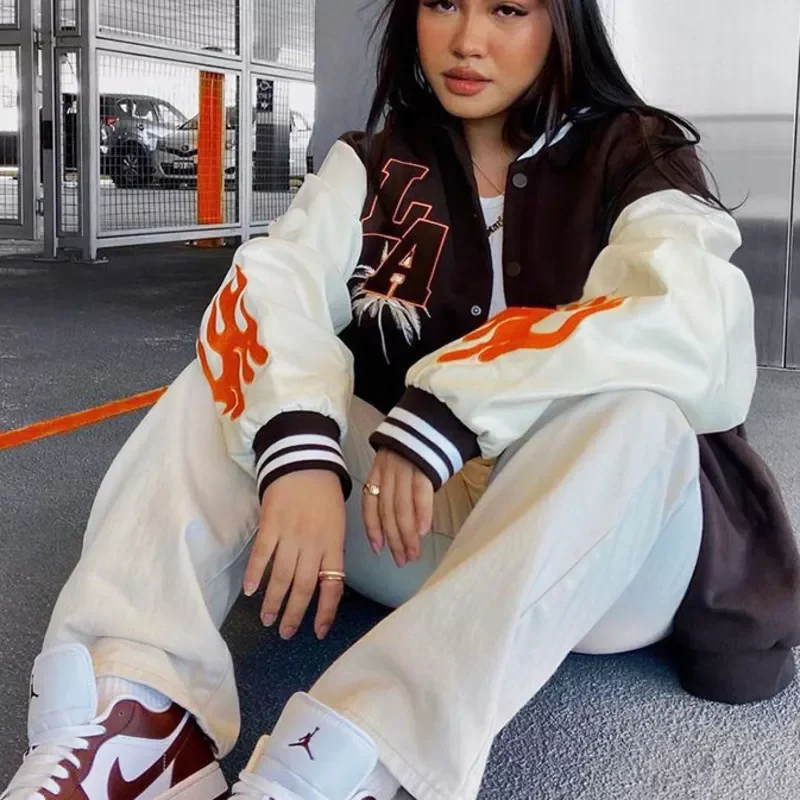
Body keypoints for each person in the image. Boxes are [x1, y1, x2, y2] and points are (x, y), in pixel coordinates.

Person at [4, 1, 800, 800]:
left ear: (563, 22)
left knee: (639, 415)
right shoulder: (373, 163)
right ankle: (138, 717)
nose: (468, 41)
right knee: (224, 378)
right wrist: (300, 450)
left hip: (599, 560)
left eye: (508, 9)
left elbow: (689, 315)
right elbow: (272, 287)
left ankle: (357, 762)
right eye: (443, 3)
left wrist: (450, 408)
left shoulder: (636, 153)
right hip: (404, 530)